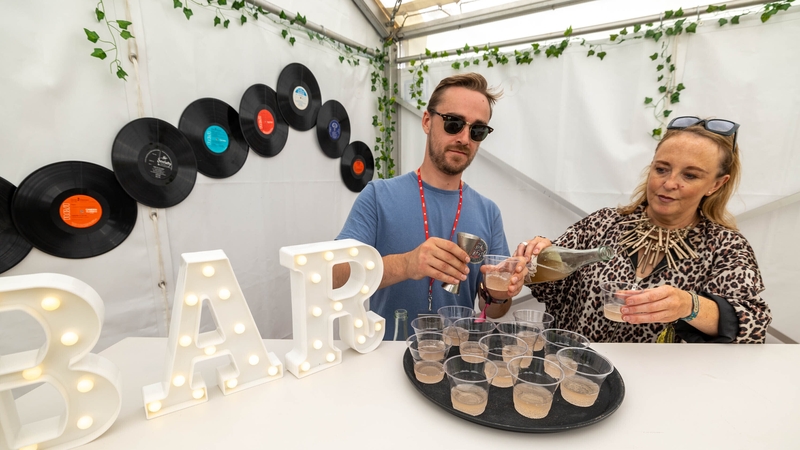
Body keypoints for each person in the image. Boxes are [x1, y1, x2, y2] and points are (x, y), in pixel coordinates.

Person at [517, 116, 771, 343]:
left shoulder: (726, 247)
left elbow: (754, 324)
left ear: (716, 184)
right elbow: (545, 282)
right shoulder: (603, 223)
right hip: (577, 370)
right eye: (661, 169)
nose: (669, 183)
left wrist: (690, 305)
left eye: (690, 175)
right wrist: (534, 258)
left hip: (662, 384)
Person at [335, 73, 526, 339]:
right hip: (388, 359)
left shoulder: (488, 212)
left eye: (477, 130)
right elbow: (335, 275)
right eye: (454, 123)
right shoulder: (378, 196)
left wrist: (501, 289)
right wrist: (406, 264)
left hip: (458, 361)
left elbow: (492, 310)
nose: (464, 138)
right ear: (427, 121)